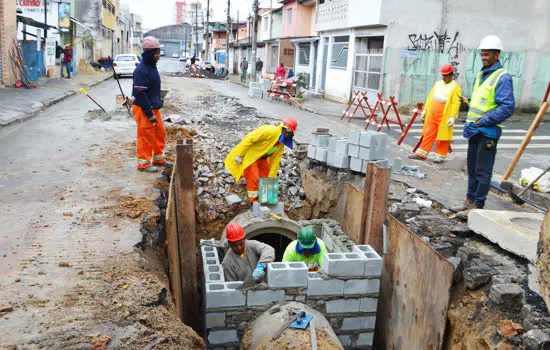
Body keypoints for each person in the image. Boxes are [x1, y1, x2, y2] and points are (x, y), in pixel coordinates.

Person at [454, 35, 515, 219]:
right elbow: (484, 102)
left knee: (483, 171)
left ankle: (478, 206)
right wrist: (469, 102)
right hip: (474, 130)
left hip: (486, 131)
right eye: (482, 54)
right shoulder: (481, 75)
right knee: (472, 168)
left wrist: (482, 122)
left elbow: (507, 107)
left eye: (487, 54)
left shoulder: (503, 78)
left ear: (497, 55)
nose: (483, 58)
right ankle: (469, 201)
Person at [224, 117, 297, 202]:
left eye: (290, 133)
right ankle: (254, 202)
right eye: (287, 132)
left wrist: (271, 178)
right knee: (253, 177)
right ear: (283, 128)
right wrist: (240, 155)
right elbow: (249, 139)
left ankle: (267, 200)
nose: (287, 135)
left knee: (266, 177)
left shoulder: (281, 144)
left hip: (262, 159)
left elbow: (275, 161)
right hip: (252, 157)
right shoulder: (269, 131)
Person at [131, 36, 172, 173]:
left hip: (153, 107)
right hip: (144, 108)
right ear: (150, 53)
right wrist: (149, 114)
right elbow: (140, 94)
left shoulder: (151, 67)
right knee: (146, 136)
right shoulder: (142, 70)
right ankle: (143, 163)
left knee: (160, 133)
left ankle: (158, 158)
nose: (158, 56)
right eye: (157, 53)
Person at [409, 63, 462, 163]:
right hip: (433, 114)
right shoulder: (438, 84)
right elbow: (430, 98)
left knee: (443, 137)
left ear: (451, 75)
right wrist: (425, 110)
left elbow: (456, 103)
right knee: (428, 133)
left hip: (444, 116)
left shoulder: (455, 87)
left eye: (446, 75)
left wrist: (453, 117)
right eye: (443, 75)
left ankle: (439, 157)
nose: (444, 77)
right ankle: (421, 154)